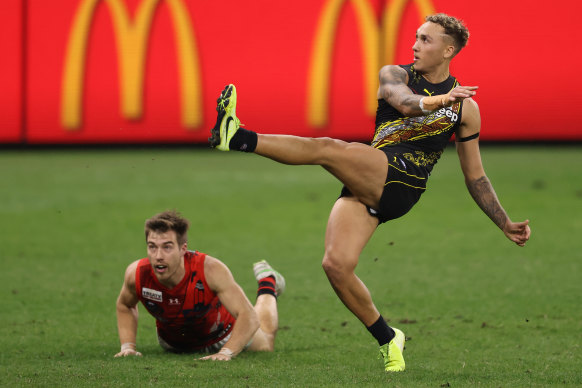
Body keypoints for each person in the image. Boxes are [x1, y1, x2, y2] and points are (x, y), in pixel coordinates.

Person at [208, 13, 531, 372]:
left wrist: (503, 221)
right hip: (373, 172)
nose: (415, 44)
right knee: (335, 265)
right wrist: (441, 102)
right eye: (416, 37)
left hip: (403, 181)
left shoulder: (467, 109)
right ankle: (388, 337)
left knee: (329, 149)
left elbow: (475, 175)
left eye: (425, 39)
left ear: (448, 50)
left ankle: (238, 138)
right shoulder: (396, 75)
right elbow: (406, 102)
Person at [114, 210, 285, 360]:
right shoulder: (137, 274)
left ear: (183, 249)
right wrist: (128, 347)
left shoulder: (210, 270)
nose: (158, 256)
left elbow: (249, 317)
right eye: (152, 247)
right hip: (174, 345)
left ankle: (268, 282)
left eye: (167, 247)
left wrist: (226, 353)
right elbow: (125, 305)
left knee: (266, 344)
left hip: (223, 336)